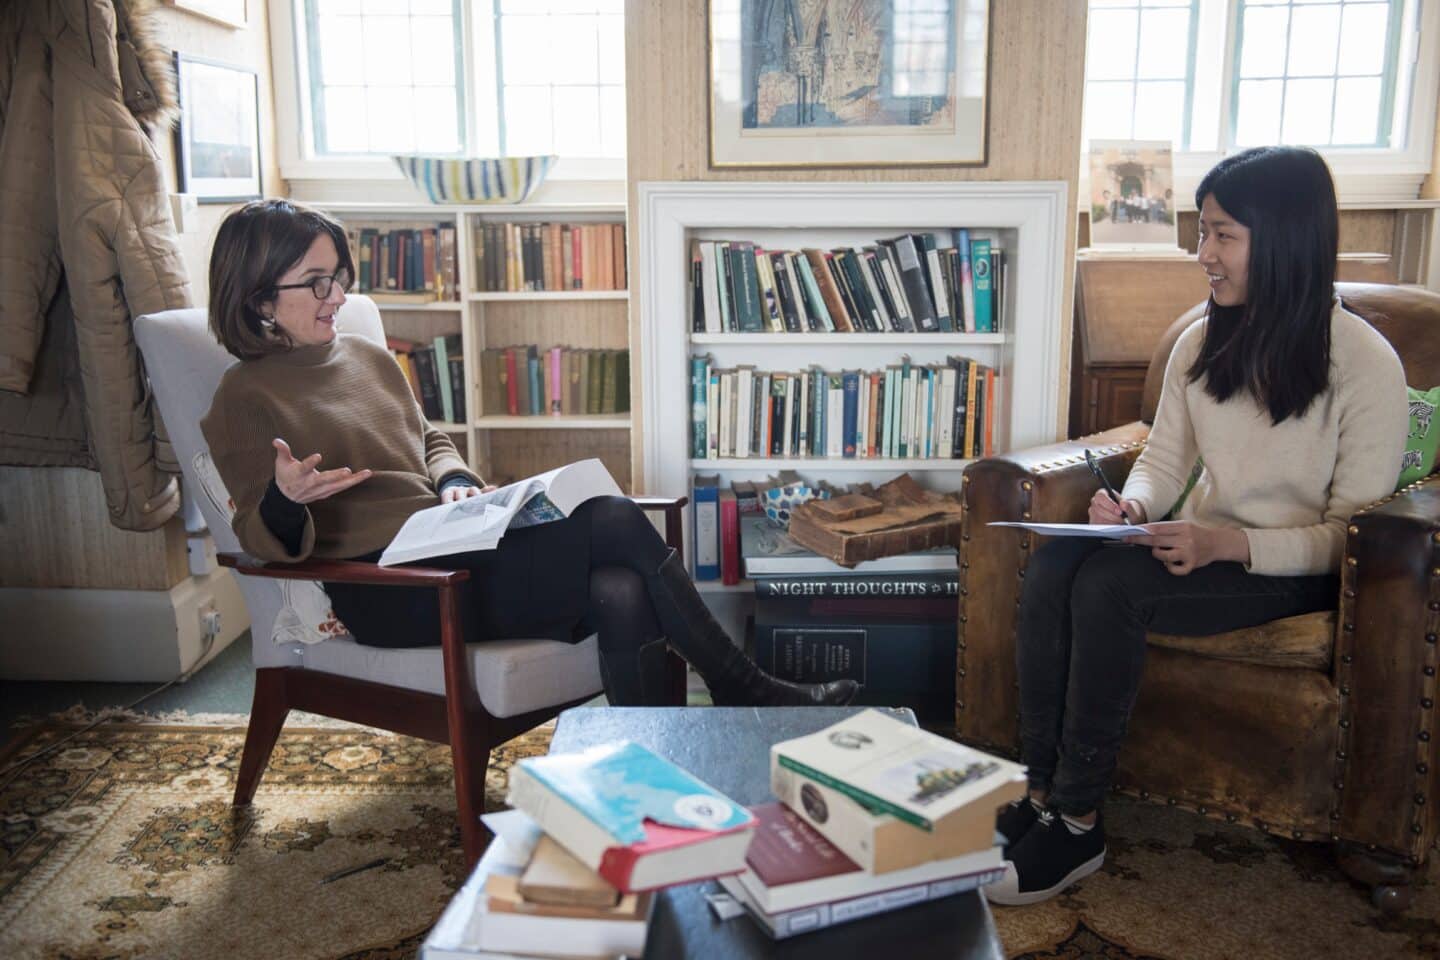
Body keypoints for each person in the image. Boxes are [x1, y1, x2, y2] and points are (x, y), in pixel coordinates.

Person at [200, 199, 858, 709]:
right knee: (613, 517)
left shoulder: (366, 356)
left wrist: (454, 477)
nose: (338, 296)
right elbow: (259, 536)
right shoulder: (242, 395)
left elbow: (428, 438)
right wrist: (286, 500)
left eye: (338, 277)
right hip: (392, 588)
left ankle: (654, 757)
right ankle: (744, 687)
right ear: (259, 297)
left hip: (447, 544)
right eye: (316, 283)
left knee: (620, 585)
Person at [987, 146, 1408, 906]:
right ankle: (1041, 793)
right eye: (1202, 232)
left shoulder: (1366, 365)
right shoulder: (1201, 341)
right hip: (1203, 547)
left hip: (1290, 570)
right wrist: (1136, 507)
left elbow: (1354, 534)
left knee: (1112, 585)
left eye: (1221, 235)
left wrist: (1228, 544)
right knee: (1055, 566)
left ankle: (1078, 824)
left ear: (1280, 241)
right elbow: (1162, 456)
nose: (1202, 254)